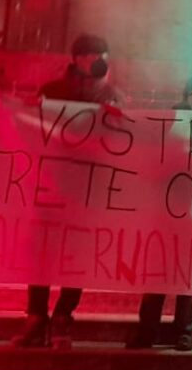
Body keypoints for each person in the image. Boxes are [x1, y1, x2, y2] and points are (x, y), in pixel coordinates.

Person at [15, 32, 124, 349]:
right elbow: (31, 127)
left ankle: (63, 315)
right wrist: (34, 108)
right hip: (51, 183)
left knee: (77, 254)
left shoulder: (112, 96)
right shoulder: (53, 91)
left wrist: (115, 116)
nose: (98, 60)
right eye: (92, 54)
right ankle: (36, 316)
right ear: (77, 59)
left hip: (87, 188)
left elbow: (121, 140)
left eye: (102, 54)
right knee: (42, 252)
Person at [130, 75, 192, 351]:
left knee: (187, 275)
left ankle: (184, 330)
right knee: (157, 272)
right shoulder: (170, 121)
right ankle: (147, 330)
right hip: (165, 211)